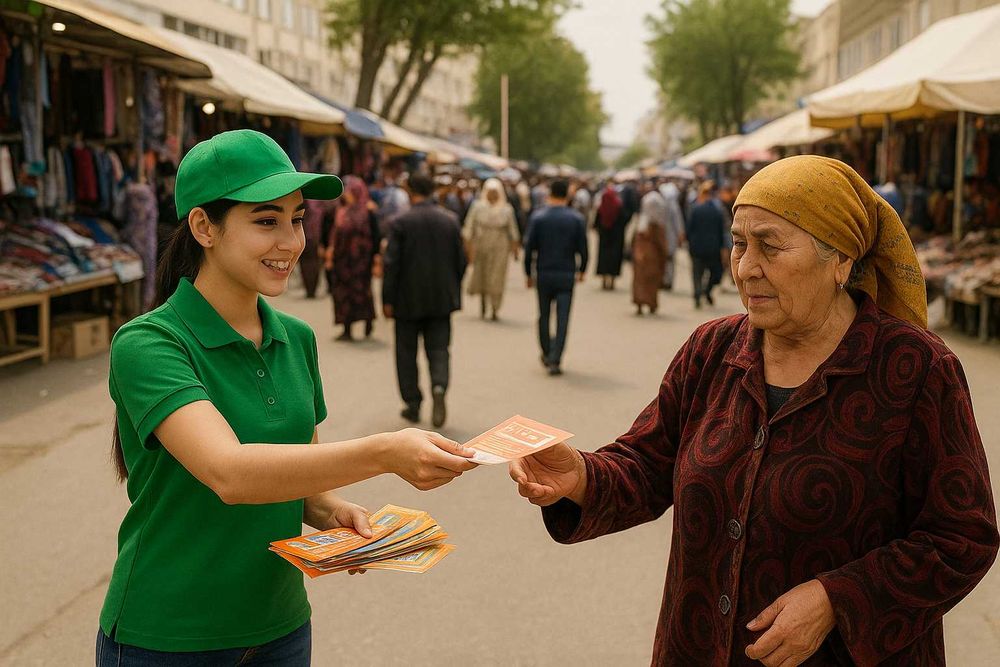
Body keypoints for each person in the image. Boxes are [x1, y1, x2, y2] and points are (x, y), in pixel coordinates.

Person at [509, 155, 998, 666]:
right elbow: (649, 464)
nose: (745, 267)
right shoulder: (711, 350)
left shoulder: (915, 369)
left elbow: (961, 538)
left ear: (841, 261)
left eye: (770, 245)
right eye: (739, 242)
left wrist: (838, 599)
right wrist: (582, 476)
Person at [98, 130, 477, 666]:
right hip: (168, 636)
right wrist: (387, 452)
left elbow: (298, 481)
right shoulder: (149, 343)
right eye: (266, 221)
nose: (292, 242)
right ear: (204, 226)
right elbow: (230, 473)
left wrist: (334, 512)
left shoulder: (295, 338)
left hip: (279, 630)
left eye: (297, 219)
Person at [382, 173, 466, 428]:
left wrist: (387, 299)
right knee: (439, 350)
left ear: (410, 191)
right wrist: (451, 286)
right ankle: (439, 386)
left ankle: (413, 403)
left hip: (407, 301)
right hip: (441, 300)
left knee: (406, 354)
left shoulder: (400, 222)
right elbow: (461, 262)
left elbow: (391, 265)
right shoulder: (450, 221)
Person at [523, 179, 588, 376]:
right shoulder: (576, 219)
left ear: (549, 194)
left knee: (543, 315)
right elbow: (583, 249)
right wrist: (582, 269)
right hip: (566, 274)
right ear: (567, 195)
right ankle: (555, 358)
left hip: (543, 273)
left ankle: (546, 350)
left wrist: (528, 272)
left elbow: (529, 248)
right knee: (562, 318)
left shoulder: (538, 217)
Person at [326, 176, 378, 341]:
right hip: (342, 261)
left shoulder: (368, 211)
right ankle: (346, 328)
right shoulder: (341, 210)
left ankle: (368, 323)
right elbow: (334, 233)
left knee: (362, 293)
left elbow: (376, 236)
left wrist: (376, 259)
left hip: (362, 263)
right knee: (342, 295)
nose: (346, 194)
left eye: (349, 191)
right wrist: (330, 251)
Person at [463, 178, 521, 321]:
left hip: (500, 246)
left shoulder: (507, 209)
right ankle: (483, 302)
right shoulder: (477, 206)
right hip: (481, 244)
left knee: (497, 277)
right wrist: (467, 246)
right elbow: (468, 227)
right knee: (482, 275)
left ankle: (495, 307)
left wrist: (515, 249)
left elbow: (513, 231)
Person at [686, 180, 727, 308]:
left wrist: (690, 243)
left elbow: (689, 228)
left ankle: (698, 294)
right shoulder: (718, 211)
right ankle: (707, 291)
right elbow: (722, 232)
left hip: (697, 248)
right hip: (713, 249)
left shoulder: (695, 209)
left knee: (697, 273)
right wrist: (723, 247)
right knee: (715, 273)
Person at [632, 182, 669, 315]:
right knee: (651, 281)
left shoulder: (641, 222)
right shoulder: (657, 226)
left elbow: (633, 239)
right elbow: (661, 243)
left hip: (640, 254)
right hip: (653, 256)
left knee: (639, 280)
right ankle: (651, 303)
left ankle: (640, 304)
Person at [594, 182, 627, 290]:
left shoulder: (601, 208)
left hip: (604, 238)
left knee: (603, 258)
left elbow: (595, 224)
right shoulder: (619, 207)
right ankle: (612, 282)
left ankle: (604, 281)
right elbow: (624, 222)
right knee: (614, 259)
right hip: (616, 239)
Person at [657, 181, 686, 290]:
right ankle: (667, 281)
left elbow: (677, 223)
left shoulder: (665, 204)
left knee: (668, 259)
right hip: (669, 237)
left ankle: (666, 281)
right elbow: (678, 223)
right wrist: (680, 235)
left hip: (668, 237)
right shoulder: (671, 205)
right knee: (669, 260)